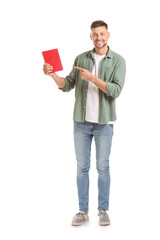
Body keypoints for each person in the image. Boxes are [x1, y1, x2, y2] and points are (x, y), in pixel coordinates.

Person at [43, 20, 126, 226]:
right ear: (90, 36)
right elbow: (66, 85)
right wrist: (52, 74)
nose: (99, 38)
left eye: (102, 34)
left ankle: (103, 210)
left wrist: (92, 78)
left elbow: (115, 90)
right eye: (95, 34)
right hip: (80, 122)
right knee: (82, 168)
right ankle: (82, 211)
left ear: (108, 35)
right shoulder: (81, 58)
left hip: (104, 123)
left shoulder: (118, 60)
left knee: (103, 167)